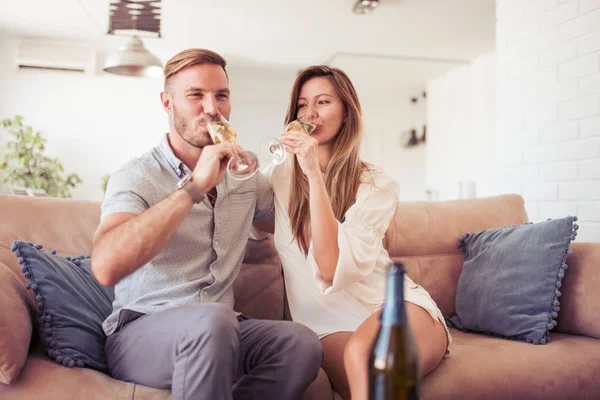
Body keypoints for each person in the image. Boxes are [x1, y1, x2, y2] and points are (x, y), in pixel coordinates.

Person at [90, 48, 322, 400]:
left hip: (222, 328)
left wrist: (310, 164)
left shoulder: (245, 178)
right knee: (213, 321)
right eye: (196, 95)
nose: (212, 108)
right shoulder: (136, 176)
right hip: (142, 332)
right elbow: (106, 267)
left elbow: (300, 229)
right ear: (167, 103)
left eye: (221, 96)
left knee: (300, 343)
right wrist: (194, 187)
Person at [268, 65, 451, 400]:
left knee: (362, 355)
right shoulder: (278, 180)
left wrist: (313, 172)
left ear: (346, 114)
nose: (310, 114)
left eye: (323, 102)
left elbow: (329, 266)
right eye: (302, 105)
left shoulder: (377, 184)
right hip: (327, 324)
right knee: (364, 377)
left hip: (393, 305)